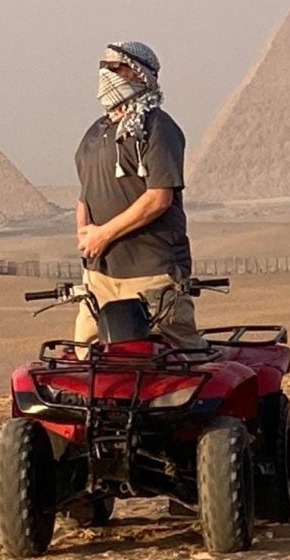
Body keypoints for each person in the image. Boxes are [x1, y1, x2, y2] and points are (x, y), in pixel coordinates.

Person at [73, 40, 206, 351]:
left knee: (176, 364)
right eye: (103, 67)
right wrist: (86, 235)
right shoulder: (96, 133)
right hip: (99, 277)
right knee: (87, 365)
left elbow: (159, 197)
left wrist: (103, 234)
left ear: (138, 74)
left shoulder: (157, 128)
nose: (106, 74)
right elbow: (86, 192)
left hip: (151, 273)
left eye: (115, 67)